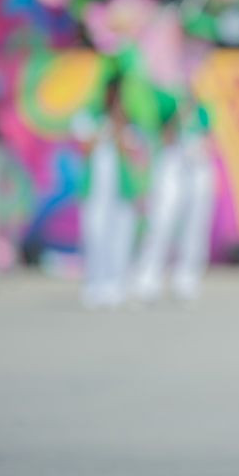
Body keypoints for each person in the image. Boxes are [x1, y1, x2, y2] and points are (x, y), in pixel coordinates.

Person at [132, 99, 217, 302]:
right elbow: (164, 135)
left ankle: (187, 279)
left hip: (197, 168)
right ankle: (148, 276)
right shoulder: (168, 103)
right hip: (174, 165)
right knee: (162, 221)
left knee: (195, 226)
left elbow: (208, 138)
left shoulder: (203, 111)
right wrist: (180, 114)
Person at [77, 75, 144, 309]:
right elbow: (85, 146)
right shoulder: (91, 116)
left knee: (120, 235)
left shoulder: (127, 122)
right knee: (95, 233)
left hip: (120, 189)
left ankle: (117, 284)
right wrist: (105, 130)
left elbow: (134, 151)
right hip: (96, 189)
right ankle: (95, 283)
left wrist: (119, 128)